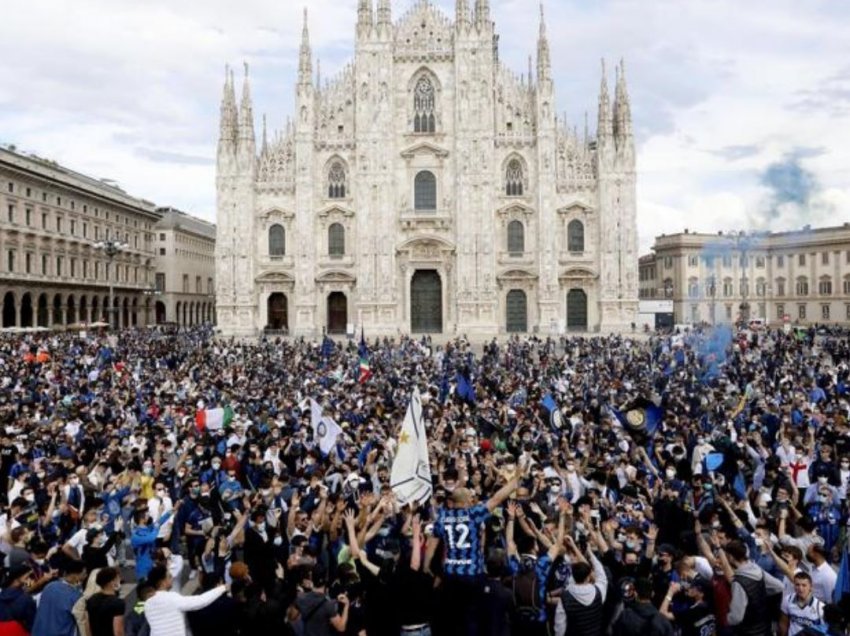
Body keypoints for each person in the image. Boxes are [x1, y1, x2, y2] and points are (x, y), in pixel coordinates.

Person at [143, 563, 226, 636]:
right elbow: (201, 601)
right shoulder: (172, 598)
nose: (172, 578)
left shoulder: (147, 603)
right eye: (169, 576)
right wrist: (222, 588)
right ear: (162, 582)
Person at [721, 540, 783, 636]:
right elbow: (779, 586)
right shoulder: (757, 569)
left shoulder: (738, 582)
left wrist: (728, 619)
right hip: (766, 628)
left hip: (748, 631)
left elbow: (736, 617)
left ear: (731, 557)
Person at [31, 559, 88, 636]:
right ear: (75, 575)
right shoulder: (76, 597)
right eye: (84, 573)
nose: (86, 575)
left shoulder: (49, 586)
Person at [291, 565, 349, 636]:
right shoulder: (328, 605)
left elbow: (292, 617)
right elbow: (341, 627)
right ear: (326, 579)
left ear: (311, 579)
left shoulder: (301, 598)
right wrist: (346, 605)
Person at [779, 572, 824, 636]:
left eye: (804, 585)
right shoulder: (787, 600)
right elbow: (783, 623)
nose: (800, 588)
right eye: (797, 585)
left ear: (810, 587)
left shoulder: (820, 607)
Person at [86, 567, 125, 636]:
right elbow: (118, 631)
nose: (120, 580)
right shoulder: (117, 603)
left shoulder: (91, 599)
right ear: (112, 582)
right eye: (117, 578)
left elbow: (88, 626)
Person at [0, 564, 37, 635]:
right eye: (28, 576)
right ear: (17, 578)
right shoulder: (26, 600)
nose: (31, 579)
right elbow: (33, 626)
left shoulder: (2, 595)